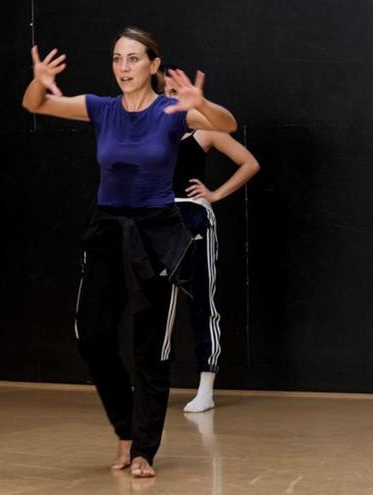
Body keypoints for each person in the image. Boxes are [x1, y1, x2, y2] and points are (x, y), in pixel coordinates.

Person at [21, 26, 236, 478]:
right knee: (92, 335)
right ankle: (124, 426)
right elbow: (34, 104)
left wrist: (201, 104)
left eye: (134, 59)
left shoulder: (172, 111)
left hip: (157, 233)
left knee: (150, 348)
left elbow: (227, 125)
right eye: (117, 59)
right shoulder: (100, 108)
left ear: (153, 65)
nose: (124, 68)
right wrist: (39, 80)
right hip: (108, 229)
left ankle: (143, 449)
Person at [159, 64, 259, 413]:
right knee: (157, 305)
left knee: (202, 301)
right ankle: (154, 380)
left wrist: (214, 194)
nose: (171, 98)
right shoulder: (154, 129)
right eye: (167, 93)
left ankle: (206, 387)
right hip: (159, 219)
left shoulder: (203, 130)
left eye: (177, 92)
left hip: (192, 218)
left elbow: (249, 163)